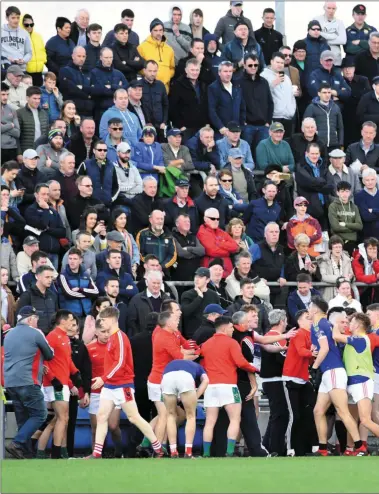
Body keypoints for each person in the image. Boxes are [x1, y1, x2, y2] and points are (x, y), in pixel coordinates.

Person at [87, 306, 166, 459]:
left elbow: (120, 362)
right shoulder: (112, 338)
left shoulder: (120, 338)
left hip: (122, 385)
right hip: (110, 385)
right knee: (102, 416)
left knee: (134, 417)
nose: (101, 323)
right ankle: (96, 453)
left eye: (102, 320)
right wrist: (106, 380)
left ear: (111, 319)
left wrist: (103, 378)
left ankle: (158, 446)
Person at [309, 296, 368, 456]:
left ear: (314, 309)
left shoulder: (320, 324)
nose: (308, 310)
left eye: (309, 307)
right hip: (329, 371)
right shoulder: (321, 324)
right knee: (318, 411)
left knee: (342, 411)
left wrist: (313, 367)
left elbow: (325, 348)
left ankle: (359, 446)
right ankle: (322, 448)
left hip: (333, 371)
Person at [201, 315, 258, 457]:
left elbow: (201, 363)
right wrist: (255, 369)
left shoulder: (206, 344)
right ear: (225, 327)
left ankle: (206, 453)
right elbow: (240, 362)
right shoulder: (231, 343)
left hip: (211, 387)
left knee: (209, 422)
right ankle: (230, 452)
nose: (233, 329)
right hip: (228, 386)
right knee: (235, 419)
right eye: (232, 327)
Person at [3, 306, 53, 459]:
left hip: (10, 382)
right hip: (28, 381)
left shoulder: (8, 335)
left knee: (23, 419)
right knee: (40, 414)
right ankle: (17, 443)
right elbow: (50, 354)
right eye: (36, 318)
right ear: (31, 319)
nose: (37, 321)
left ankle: (24, 452)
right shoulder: (35, 333)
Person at [334, 313, 379, 440]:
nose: (349, 325)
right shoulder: (356, 338)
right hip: (353, 381)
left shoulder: (360, 339)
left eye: (351, 322)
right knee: (352, 418)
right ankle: (351, 447)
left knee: (365, 420)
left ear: (358, 325)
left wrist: (335, 324)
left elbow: (336, 336)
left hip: (362, 381)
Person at [282, 309, 318, 456]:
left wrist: (312, 355)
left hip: (303, 378)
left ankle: (309, 446)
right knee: (294, 415)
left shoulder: (310, 335)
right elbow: (302, 351)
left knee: (308, 413)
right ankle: (290, 448)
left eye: (311, 318)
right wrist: (313, 352)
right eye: (307, 318)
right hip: (291, 378)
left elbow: (307, 357)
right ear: (299, 321)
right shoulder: (298, 334)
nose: (310, 320)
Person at [86, 318, 123, 454]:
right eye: (103, 332)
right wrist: (84, 392)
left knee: (113, 426)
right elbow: (84, 371)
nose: (106, 335)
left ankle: (119, 453)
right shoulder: (89, 348)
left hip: (114, 389)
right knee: (96, 428)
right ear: (96, 332)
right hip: (96, 392)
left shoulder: (116, 346)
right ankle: (96, 456)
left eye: (108, 331)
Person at [162, 359, 208, 458]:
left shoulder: (170, 363)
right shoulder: (198, 366)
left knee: (170, 415)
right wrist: (196, 396)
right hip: (185, 378)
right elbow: (206, 380)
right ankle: (188, 452)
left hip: (167, 378)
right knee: (191, 416)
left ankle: (173, 451)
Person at [24, 183, 66, 269]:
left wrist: (48, 229)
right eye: (43, 194)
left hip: (54, 253)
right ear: (36, 195)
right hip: (40, 254)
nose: (46, 197)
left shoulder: (53, 211)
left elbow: (62, 232)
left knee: (53, 279)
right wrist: (46, 210)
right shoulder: (31, 210)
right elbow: (42, 225)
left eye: (47, 194)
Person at [169, 59, 209, 143]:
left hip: (202, 127)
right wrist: (181, 126)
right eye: (192, 70)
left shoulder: (203, 84)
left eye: (197, 70)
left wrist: (207, 123)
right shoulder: (177, 85)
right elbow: (172, 107)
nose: (195, 72)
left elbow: (206, 105)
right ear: (186, 70)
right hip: (186, 128)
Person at [295, 142, 334, 228]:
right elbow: (309, 183)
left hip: (325, 208)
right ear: (307, 153)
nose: (315, 156)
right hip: (309, 209)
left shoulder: (323, 165)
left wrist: (317, 185)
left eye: (317, 153)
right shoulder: (300, 166)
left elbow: (331, 185)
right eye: (312, 153)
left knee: (324, 238)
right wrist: (323, 182)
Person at [250, 222, 287, 310]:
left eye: (276, 232)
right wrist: (257, 280)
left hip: (275, 290)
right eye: (271, 232)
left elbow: (283, 265)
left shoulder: (281, 249)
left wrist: (282, 276)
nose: (274, 234)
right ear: (265, 234)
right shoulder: (256, 247)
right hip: (258, 290)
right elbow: (245, 266)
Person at [240, 55, 273, 151]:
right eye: (250, 65)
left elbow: (270, 102)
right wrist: (243, 121)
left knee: (261, 153)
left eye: (255, 65)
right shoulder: (239, 82)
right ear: (244, 66)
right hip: (247, 126)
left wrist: (268, 122)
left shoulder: (264, 82)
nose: (253, 67)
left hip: (263, 126)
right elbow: (237, 104)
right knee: (246, 153)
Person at [261, 52, 296, 137]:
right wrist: (273, 84)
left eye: (282, 63)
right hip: (275, 116)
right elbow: (261, 95)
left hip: (288, 116)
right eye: (277, 62)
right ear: (271, 62)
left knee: (286, 143)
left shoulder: (286, 77)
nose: (280, 65)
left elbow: (290, 96)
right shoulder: (263, 76)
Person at [58, 247, 99, 319]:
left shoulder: (86, 275)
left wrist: (81, 290)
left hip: (87, 314)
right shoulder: (63, 275)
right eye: (70, 259)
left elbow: (96, 292)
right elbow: (69, 294)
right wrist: (87, 294)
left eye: (75, 259)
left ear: (80, 260)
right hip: (71, 315)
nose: (72, 261)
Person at [89, 47, 128, 122]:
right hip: (101, 111)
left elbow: (126, 88)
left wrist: (113, 87)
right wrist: (119, 88)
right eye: (106, 57)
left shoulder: (118, 73)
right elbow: (98, 91)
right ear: (100, 57)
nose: (109, 60)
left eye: (110, 57)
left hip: (119, 111)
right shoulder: (94, 73)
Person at [208, 61, 246, 138]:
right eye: (225, 71)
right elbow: (211, 110)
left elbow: (242, 107)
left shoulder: (237, 87)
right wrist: (220, 127)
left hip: (236, 131)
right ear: (219, 73)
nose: (228, 74)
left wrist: (241, 126)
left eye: (230, 71)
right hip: (221, 132)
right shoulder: (213, 88)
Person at [16, 265, 58, 334]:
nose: (50, 280)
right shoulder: (27, 295)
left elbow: (56, 315)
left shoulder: (53, 295)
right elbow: (19, 318)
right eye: (47, 277)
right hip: (33, 336)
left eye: (51, 277)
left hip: (51, 335)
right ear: (37, 277)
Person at [78, 140, 119, 208]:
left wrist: (111, 199)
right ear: (94, 151)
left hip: (107, 206)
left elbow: (116, 186)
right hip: (89, 206)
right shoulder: (85, 164)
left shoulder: (111, 166)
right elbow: (77, 184)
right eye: (100, 150)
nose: (102, 152)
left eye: (105, 150)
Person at [197, 208, 239, 277]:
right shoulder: (202, 232)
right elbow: (212, 251)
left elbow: (235, 246)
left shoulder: (221, 231)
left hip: (228, 270)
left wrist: (220, 243)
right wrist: (228, 252)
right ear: (205, 219)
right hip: (212, 270)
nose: (216, 221)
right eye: (213, 219)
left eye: (218, 219)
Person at [127, 271, 171, 336]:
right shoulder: (136, 300)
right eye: (154, 283)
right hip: (143, 341)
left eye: (158, 283)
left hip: (163, 339)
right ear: (147, 283)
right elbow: (131, 323)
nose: (156, 285)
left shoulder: (168, 300)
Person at [181, 267, 220, 339]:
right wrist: (199, 297)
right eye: (196, 276)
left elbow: (218, 315)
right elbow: (185, 312)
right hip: (192, 335)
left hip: (210, 334)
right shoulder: (187, 294)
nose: (197, 279)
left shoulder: (214, 295)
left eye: (200, 277)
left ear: (207, 280)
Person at [137, 19, 175, 94]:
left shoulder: (169, 49)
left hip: (165, 88)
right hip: (148, 87)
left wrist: (166, 77)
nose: (158, 33)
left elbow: (172, 68)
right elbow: (138, 67)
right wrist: (150, 76)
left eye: (161, 30)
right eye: (155, 30)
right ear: (151, 31)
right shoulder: (142, 47)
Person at [303, 83, 344, 151]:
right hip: (317, 145)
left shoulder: (336, 107)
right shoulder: (311, 107)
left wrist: (341, 143)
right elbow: (305, 126)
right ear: (319, 93)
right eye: (324, 92)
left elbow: (340, 127)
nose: (327, 95)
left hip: (334, 144)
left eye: (329, 92)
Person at [136, 209, 177, 275]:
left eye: (162, 219)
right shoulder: (142, 234)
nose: (160, 221)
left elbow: (173, 255)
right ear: (151, 220)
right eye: (157, 219)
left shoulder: (169, 236)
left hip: (164, 274)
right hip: (146, 273)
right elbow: (139, 253)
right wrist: (153, 265)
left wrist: (161, 266)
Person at [341, 59, 371, 146]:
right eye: (345, 68)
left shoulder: (363, 80)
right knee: (347, 142)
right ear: (342, 70)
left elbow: (367, 96)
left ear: (354, 69)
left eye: (350, 68)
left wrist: (346, 95)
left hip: (360, 115)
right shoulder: (340, 81)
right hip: (345, 116)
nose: (347, 70)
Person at [328, 181, 363, 255]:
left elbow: (359, 226)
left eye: (347, 191)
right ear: (337, 193)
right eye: (342, 191)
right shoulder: (333, 206)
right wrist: (353, 228)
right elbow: (335, 227)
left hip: (352, 242)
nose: (345, 194)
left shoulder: (354, 207)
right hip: (338, 242)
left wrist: (345, 224)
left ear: (350, 192)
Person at [59, 46, 94, 118]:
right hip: (73, 112)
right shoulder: (65, 71)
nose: (81, 59)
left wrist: (83, 88)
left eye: (83, 56)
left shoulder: (88, 72)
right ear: (73, 56)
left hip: (88, 111)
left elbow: (94, 89)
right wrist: (88, 96)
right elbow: (72, 89)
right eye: (79, 56)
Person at [318, 235, 354, 302]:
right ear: (331, 248)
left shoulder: (347, 259)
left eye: (340, 247)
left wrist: (351, 277)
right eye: (336, 247)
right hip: (329, 293)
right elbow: (323, 276)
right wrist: (341, 279)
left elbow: (351, 275)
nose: (338, 249)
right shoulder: (323, 259)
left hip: (345, 295)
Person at [171, 213, 204, 282]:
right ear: (177, 224)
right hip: (179, 275)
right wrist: (195, 253)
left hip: (195, 275)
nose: (187, 223)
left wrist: (189, 249)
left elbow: (202, 251)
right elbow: (181, 253)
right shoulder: (172, 236)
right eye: (184, 222)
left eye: (188, 221)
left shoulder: (193, 236)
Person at [16, 86, 49, 155]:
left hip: (42, 151)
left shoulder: (44, 113)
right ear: (27, 98)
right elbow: (17, 136)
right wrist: (19, 153)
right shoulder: (19, 113)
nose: (37, 101)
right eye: (34, 98)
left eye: (39, 98)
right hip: (26, 151)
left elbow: (46, 134)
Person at [1, 6, 32, 73]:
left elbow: (29, 53)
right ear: (7, 18)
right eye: (13, 18)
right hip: (5, 69)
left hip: (21, 70)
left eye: (18, 18)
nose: (16, 20)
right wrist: (6, 58)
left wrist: (23, 60)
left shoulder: (25, 33)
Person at [141, 60, 169, 136]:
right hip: (145, 126)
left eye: (155, 71)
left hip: (160, 126)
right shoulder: (138, 85)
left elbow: (165, 105)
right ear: (144, 70)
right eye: (150, 71)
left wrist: (164, 122)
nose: (152, 74)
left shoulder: (161, 85)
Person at [314, 2, 346, 66]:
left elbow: (343, 40)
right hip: (320, 60)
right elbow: (314, 37)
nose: (331, 11)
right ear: (324, 8)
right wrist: (334, 36)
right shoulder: (316, 20)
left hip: (336, 61)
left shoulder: (339, 22)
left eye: (333, 8)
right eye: (329, 8)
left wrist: (322, 35)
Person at [21, 14, 47, 87]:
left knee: (38, 96)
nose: (29, 27)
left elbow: (43, 51)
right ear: (22, 24)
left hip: (38, 72)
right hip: (26, 72)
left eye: (31, 24)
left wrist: (43, 62)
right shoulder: (20, 37)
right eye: (26, 25)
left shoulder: (38, 36)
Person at [352, 237, 379, 307]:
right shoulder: (358, 259)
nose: (372, 251)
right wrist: (376, 277)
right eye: (370, 248)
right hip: (360, 289)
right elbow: (359, 277)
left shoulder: (376, 258)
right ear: (365, 249)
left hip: (372, 289)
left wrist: (375, 260)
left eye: (374, 249)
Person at [355, 168, 379, 239]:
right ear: (363, 181)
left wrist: (373, 210)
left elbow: (370, 214)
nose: (370, 182)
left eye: (372, 179)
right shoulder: (359, 196)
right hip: (368, 234)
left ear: (376, 180)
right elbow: (366, 217)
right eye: (367, 180)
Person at [1, 82, 20, 163]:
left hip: (11, 149)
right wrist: (10, 125)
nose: (6, 97)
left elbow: (17, 133)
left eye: (7, 94)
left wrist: (4, 126)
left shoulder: (12, 110)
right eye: (3, 94)